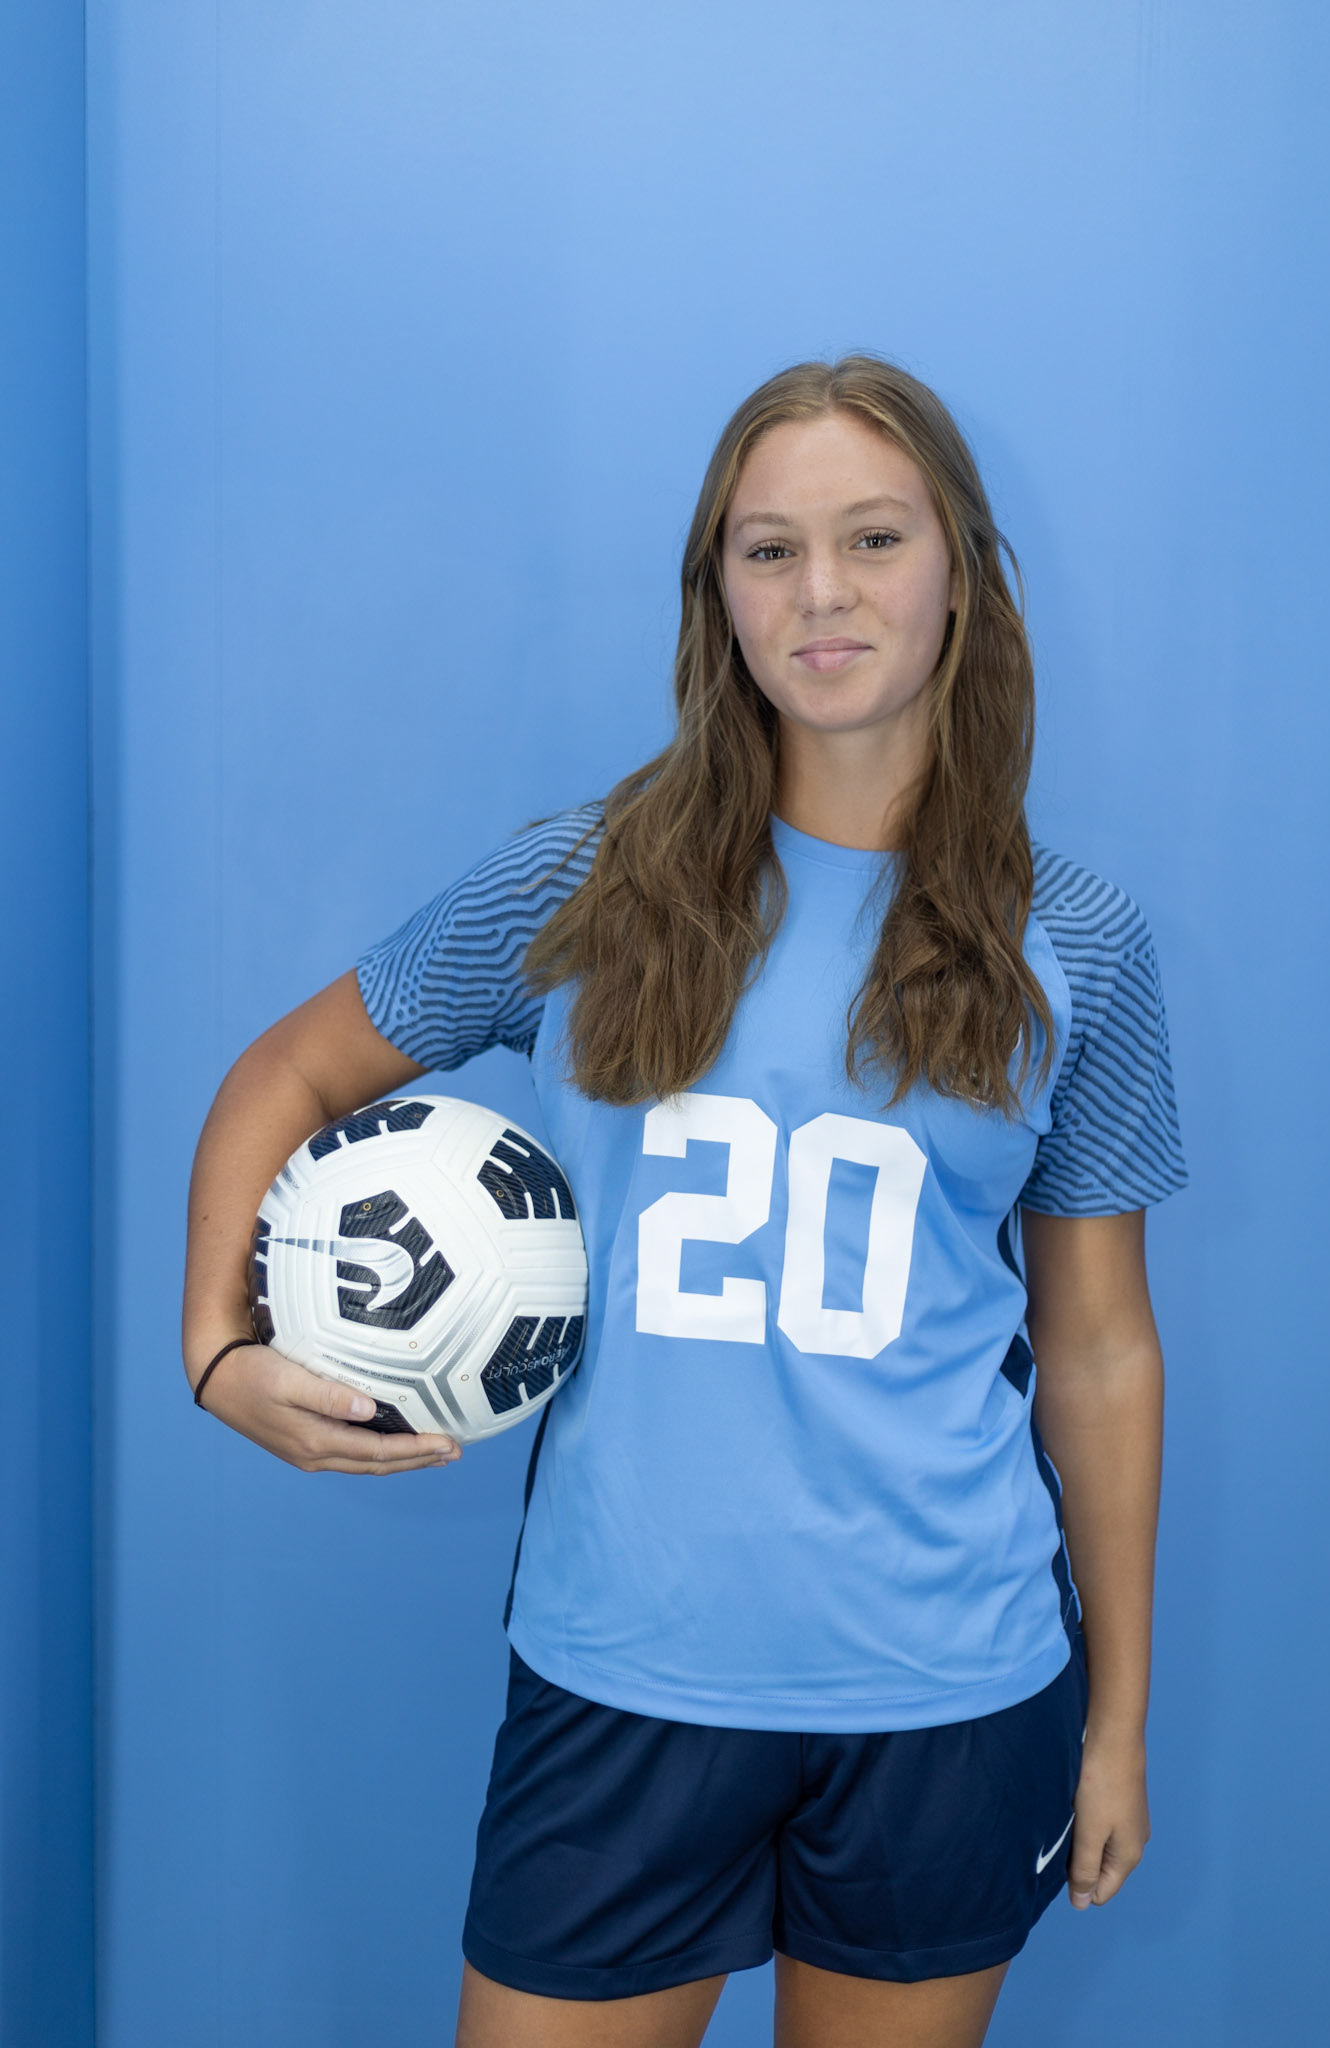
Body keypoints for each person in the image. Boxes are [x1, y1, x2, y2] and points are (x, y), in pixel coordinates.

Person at [182, 355, 1187, 2048]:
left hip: (950, 1692)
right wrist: (220, 1350)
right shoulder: (586, 882)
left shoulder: (1075, 945)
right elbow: (285, 1075)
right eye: (766, 549)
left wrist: (1117, 1725)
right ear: (713, 591)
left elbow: (1096, 1350)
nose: (822, 594)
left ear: (961, 567)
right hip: (623, 1675)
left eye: (872, 539)